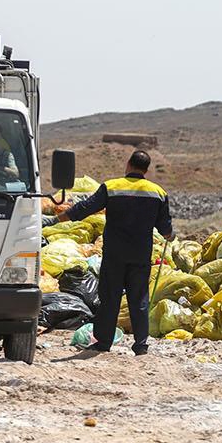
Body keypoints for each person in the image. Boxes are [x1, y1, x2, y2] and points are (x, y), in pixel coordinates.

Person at [59, 150, 173, 355]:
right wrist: (170, 235)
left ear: (128, 164)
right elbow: (165, 227)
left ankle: (103, 342)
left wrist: (60, 218)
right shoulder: (158, 192)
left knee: (109, 298)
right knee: (139, 299)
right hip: (140, 255)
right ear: (146, 169)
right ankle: (141, 344)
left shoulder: (111, 187)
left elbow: (87, 207)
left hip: (114, 254)